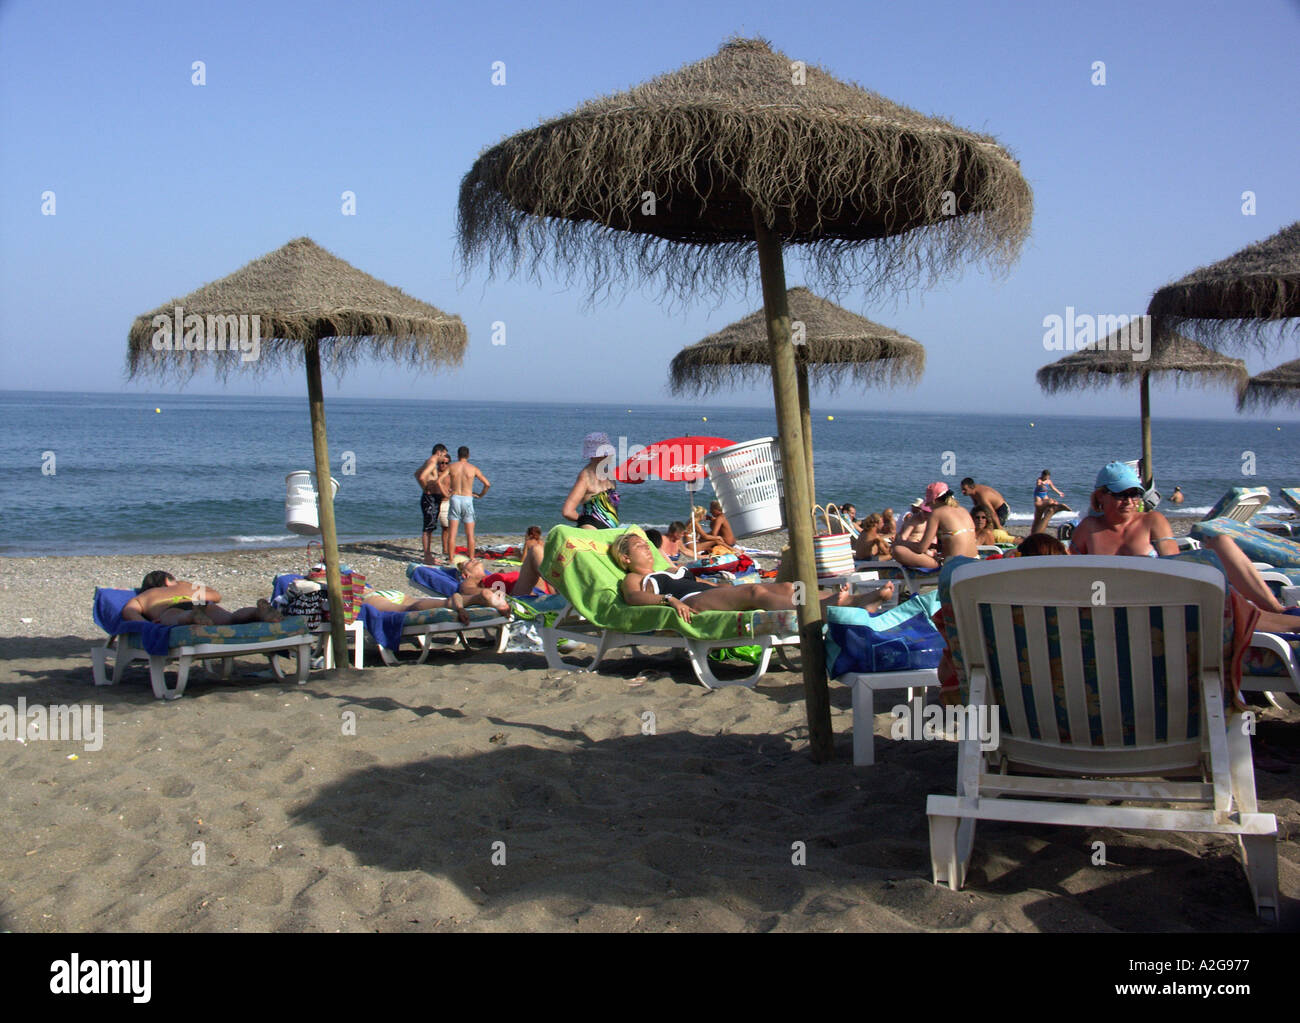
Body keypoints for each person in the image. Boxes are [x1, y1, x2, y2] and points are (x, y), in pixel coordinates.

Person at [1069, 461, 1297, 632]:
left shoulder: (1151, 521)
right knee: (1236, 612)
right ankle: (1288, 621)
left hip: (1162, 596)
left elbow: (1176, 566)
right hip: (1116, 605)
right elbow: (1068, 573)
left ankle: (1280, 613)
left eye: (1135, 493)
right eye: (1120, 494)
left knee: (1222, 543)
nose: (1129, 501)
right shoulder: (1089, 528)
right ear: (1101, 496)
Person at [611, 532, 896, 623]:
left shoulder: (667, 569)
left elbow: (701, 582)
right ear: (625, 559)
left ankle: (858, 599)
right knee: (755, 596)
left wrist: (720, 584)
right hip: (692, 602)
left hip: (704, 592)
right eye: (638, 547)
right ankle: (830, 607)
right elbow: (633, 597)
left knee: (784, 586)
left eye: (646, 544)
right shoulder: (634, 579)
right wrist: (669, 600)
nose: (647, 548)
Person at [122, 571, 282, 626]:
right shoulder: (184, 586)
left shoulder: (144, 596)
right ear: (167, 580)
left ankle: (192, 616)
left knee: (177, 619)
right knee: (231, 618)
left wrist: (147, 624)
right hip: (201, 604)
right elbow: (215, 596)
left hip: (169, 608)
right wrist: (189, 586)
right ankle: (256, 612)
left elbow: (129, 611)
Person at [562, 431, 642, 529]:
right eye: (604, 453)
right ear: (593, 455)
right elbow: (567, 511)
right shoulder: (585, 477)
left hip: (610, 530)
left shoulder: (610, 474)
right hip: (591, 530)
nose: (608, 456)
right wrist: (587, 521)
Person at [892, 483, 978, 570]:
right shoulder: (963, 510)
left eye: (929, 505)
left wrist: (901, 542)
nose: (930, 508)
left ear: (933, 501)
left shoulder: (937, 513)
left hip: (955, 566)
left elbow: (920, 548)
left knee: (898, 550)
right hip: (974, 561)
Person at [446, 446, 490, 561]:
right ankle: (471, 558)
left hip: (455, 497)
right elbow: (487, 484)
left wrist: (446, 493)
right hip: (467, 498)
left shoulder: (452, 466)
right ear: (468, 455)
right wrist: (480, 495)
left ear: (458, 455)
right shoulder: (473, 468)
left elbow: (439, 481)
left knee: (452, 533)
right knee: (470, 534)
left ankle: (451, 559)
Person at [360, 583, 471, 625]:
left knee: (407, 609)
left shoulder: (344, 582)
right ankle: (475, 599)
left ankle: (448, 604)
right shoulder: (353, 579)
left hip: (370, 598)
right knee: (417, 603)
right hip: (388, 593)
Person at [413, 443, 450, 565]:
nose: (444, 457)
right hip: (430, 498)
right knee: (428, 529)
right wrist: (426, 489)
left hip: (433, 498)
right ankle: (427, 557)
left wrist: (426, 487)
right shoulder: (432, 462)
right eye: (444, 454)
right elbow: (422, 477)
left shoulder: (429, 461)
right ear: (439, 452)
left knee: (430, 528)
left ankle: (428, 556)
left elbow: (417, 474)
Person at [1030, 469, 1071, 534]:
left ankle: (1051, 509)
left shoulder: (1048, 481)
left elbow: (1053, 487)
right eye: (1046, 477)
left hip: (1044, 495)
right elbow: (1038, 485)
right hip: (1038, 495)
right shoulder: (1039, 480)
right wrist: (1041, 484)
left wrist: (1059, 492)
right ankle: (1048, 510)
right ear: (1043, 475)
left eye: (1048, 477)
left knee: (1049, 502)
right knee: (1039, 504)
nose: (1047, 478)